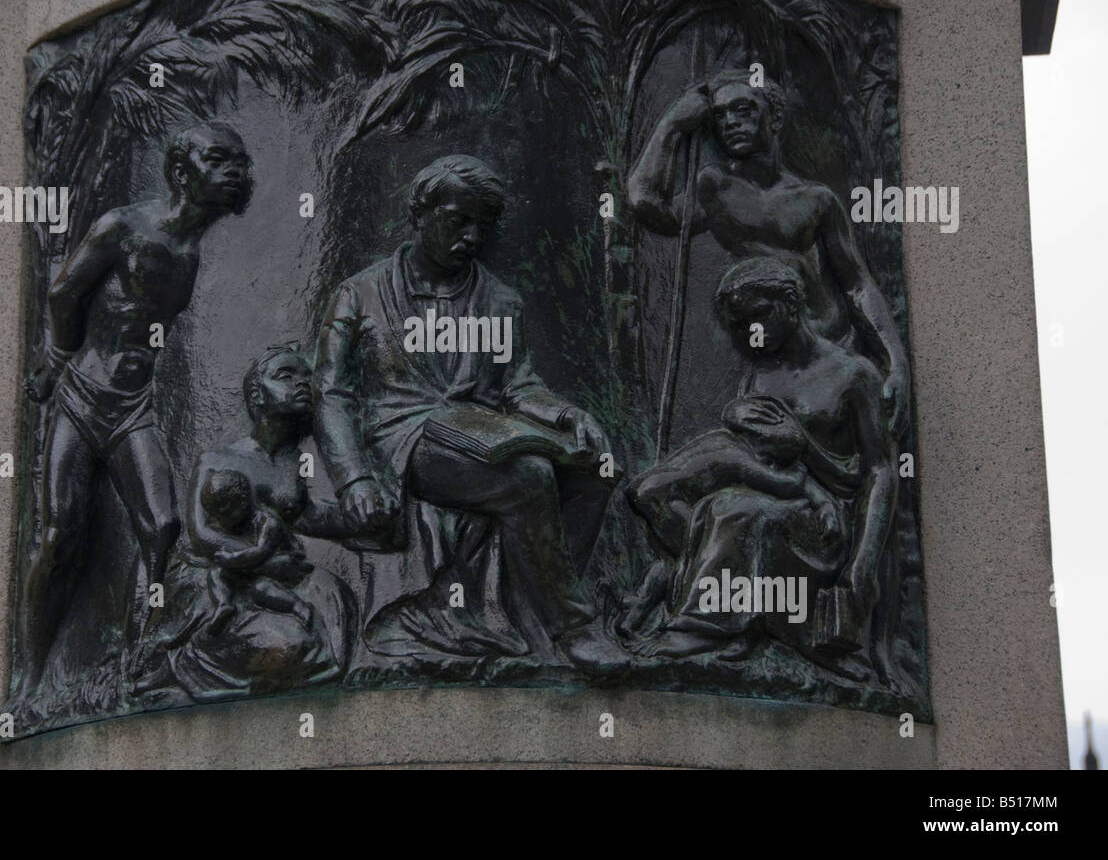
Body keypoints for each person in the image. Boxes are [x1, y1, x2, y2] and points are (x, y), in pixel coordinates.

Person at [313, 154, 628, 673]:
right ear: (420, 213)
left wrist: (567, 415)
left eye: (483, 225)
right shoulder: (359, 294)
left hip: (480, 431)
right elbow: (332, 392)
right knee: (527, 476)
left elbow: (518, 385)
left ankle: (527, 604)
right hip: (403, 439)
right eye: (458, 219)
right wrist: (353, 480)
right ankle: (574, 629)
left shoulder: (500, 300)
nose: (472, 236)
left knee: (596, 468)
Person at [13, 122, 252, 710]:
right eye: (218, 160)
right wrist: (57, 359)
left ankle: (139, 662)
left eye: (239, 164)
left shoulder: (194, 253)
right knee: (58, 533)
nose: (234, 173)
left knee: (163, 527)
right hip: (80, 396)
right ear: (180, 172)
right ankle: (30, 678)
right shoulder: (123, 227)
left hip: (133, 408)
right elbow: (65, 293)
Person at [625, 257, 896, 670]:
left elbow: (881, 470)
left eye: (758, 316)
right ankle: (730, 605)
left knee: (732, 510)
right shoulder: (760, 377)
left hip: (825, 519)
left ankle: (699, 629)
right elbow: (750, 454)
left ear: (790, 302)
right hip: (775, 491)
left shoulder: (854, 375)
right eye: (740, 324)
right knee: (666, 496)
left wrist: (864, 562)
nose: (751, 332)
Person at [628, 68, 910, 434]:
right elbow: (644, 201)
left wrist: (896, 362)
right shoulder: (716, 188)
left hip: (832, 351)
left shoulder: (816, 200)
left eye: (743, 109)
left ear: (775, 117)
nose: (729, 122)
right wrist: (673, 124)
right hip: (769, 362)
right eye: (719, 115)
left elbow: (857, 284)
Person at [133, 344, 356, 702]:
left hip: (277, 573)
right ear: (256, 394)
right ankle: (183, 661)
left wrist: (356, 518)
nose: (302, 383)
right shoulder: (218, 458)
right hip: (220, 578)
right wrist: (262, 559)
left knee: (336, 604)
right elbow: (202, 533)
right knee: (286, 647)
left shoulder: (290, 461)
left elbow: (304, 515)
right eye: (286, 375)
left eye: (306, 376)